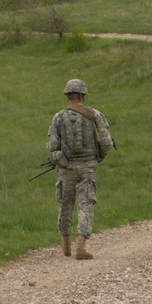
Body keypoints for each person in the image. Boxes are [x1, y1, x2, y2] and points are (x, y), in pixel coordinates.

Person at [47, 79, 115, 260]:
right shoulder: (95, 114)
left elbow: (53, 145)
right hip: (87, 167)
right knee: (86, 204)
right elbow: (107, 142)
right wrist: (98, 156)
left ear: (67, 95)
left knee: (65, 204)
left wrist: (61, 160)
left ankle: (66, 245)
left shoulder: (58, 117)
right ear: (83, 95)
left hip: (66, 168)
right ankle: (81, 246)